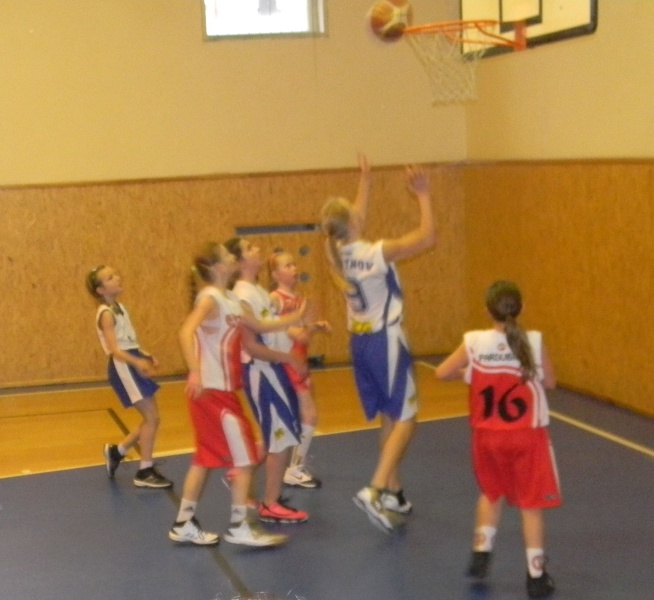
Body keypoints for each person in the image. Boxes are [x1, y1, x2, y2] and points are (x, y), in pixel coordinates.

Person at [320, 155, 435, 532]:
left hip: (360, 343)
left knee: (388, 414)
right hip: (386, 340)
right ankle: (374, 488)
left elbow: (355, 217)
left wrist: (365, 180)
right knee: (406, 418)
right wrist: (423, 195)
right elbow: (427, 238)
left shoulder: (337, 253)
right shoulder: (376, 252)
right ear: (352, 223)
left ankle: (392, 491)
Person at [435, 280, 559, 599]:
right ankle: (536, 575)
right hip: (526, 436)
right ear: (522, 308)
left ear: (486, 310)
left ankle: (481, 552)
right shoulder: (533, 341)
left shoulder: (474, 341)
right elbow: (550, 382)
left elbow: (442, 372)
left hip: (487, 437)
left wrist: (468, 373)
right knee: (530, 505)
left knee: (491, 493)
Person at [169, 242, 294, 547]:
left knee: (203, 459)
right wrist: (195, 371)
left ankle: (183, 523)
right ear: (217, 267)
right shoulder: (209, 298)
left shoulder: (231, 299)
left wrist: (298, 317)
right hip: (210, 391)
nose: (233, 257)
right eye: (227, 256)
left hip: (221, 393)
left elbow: (260, 325)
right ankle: (239, 525)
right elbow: (185, 332)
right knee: (246, 457)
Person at [225, 236, 311, 524]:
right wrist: (289, 356)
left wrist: (297, 336)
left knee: (280, 436)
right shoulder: (242, 295)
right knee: (279, 439)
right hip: (262, 371)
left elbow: (273, 329)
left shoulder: (258, 291)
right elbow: (251, 345)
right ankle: (270, 504)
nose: (257, 249)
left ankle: (246, 479)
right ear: (240, 262)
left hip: (273, 369)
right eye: (250, 248)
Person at [86, 265, 172, 489]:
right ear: (101, 290)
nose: (117, 278)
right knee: (152, 418)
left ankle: (118, 451)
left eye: (115, 274)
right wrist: (137, 361)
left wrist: (144, 354)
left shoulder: (119, 308)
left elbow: (128, 342)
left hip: (131, 361)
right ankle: (144, 471)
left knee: (152, 418)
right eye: (110, 277)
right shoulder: (106, 314)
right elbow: (115, 350)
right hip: (123, 367)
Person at [268, 250, 331, 489]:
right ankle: (294, 469)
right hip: (288, 363)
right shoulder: (275, 299)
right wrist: (302, 329)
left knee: (296, 418)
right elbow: (275, 328)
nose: (294, 268)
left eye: (294, 264)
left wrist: (314, 326)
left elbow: (302, 332)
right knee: (308, 416)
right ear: (275, 274)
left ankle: (293, 464)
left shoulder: (299, 299)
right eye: (287, 266)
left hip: (299, 361)